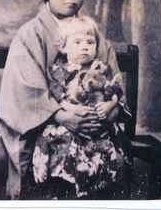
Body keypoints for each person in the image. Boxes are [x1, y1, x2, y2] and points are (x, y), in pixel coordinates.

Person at [0, 0, 132, 200]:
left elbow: (113, 85)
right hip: (43, 132)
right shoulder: (29, 35)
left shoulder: (93, 35)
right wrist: (61, 114)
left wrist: (113, 107)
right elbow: (25, 94)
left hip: (95, 129)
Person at [32, 16, 132, 198]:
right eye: (77, 42)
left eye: (90, 42)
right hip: (68, 124)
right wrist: (68, 109)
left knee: (106, 147)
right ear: (64, 47)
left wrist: (108, 105)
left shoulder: (102, 68)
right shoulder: (62, 71)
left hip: (99, 127)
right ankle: (66, 185)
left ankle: (95, 188)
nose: (84, 46)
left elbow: (115, 92)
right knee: (58, 138)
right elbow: (56, 95)